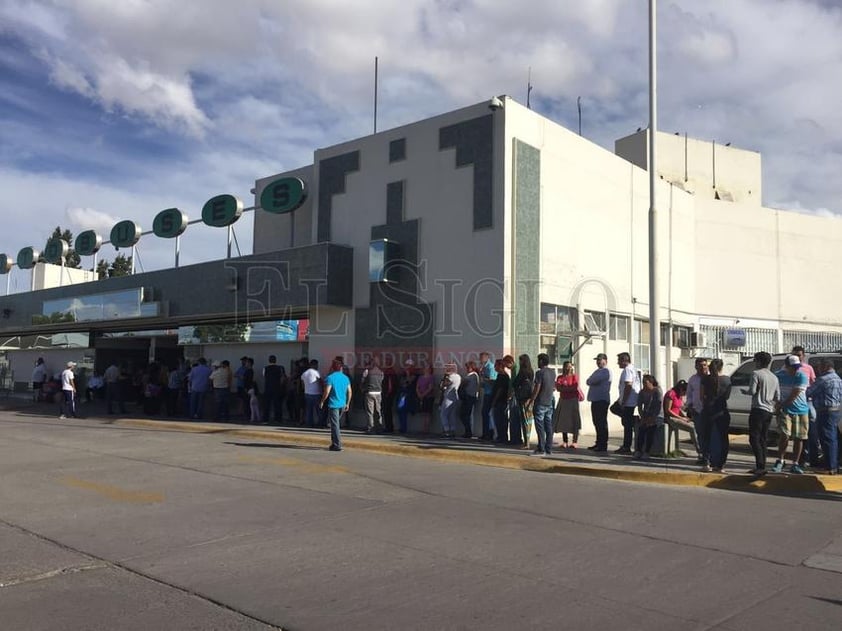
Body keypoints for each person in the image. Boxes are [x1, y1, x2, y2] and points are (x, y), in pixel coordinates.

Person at [742, 351, 780, 475]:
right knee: (763, 438)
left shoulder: (756, 374)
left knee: (754, 438)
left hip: (758, 409)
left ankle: (760, 466)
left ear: (758, 361)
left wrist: (745, 392)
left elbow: (753, 391)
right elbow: (777, 396)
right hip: (769, 410)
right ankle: (762, 465)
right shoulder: (774, 377)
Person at [773, 355, 810, 474]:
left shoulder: (802, 376)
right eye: (792, 367)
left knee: (799, 437)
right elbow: (774, 390)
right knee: (785, 435)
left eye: (797, 367)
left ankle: (795, 463)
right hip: (786, 411)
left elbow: (795, 394)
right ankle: (781, 460)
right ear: (787, 366)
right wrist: (777, 402)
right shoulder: (778, 376)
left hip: (801, 410)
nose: (795, 370)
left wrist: (781, 405)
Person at [806, 358, 842, 475]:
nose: (818, 369)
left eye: (820, 367)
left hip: (825, 411)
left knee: (827, 438)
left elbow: (809, 392)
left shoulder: (823, 380)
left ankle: (830, 466)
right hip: (836, 410)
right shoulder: (838, 379)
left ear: (825, 366)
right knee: (834, 438)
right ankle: (834, 464)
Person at [700, 358, 732, 472]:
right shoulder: (727, 380)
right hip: (722, 411)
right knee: (723, 438)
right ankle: (721, 464)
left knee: (706, 437)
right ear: (721, 367)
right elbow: (727, 396)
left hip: (708, 410)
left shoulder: (705, 379)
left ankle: (706, 462)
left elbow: (701, 396)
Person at [791, 345, 819, 468]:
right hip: (792, 401)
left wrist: (808, 392)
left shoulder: (808, 368)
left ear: (803, 356)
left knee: (811, 427)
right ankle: (799, 459)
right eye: (795, 355)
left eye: (799, 355)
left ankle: (811, 457)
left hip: (807, 401)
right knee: (795, 433)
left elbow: (814, 382)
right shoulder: (788, 368)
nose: (797, 357)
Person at [320, 358, 352, 451]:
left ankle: (337, 444)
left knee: (335, 425)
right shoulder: (345, 378)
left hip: (334, 404)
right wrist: (348, 403)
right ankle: (334, 443)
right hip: (342, 404)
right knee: (336, 424)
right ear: (341, 368)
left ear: (332, 368)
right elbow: (349, 391)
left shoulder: (330, 377)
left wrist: (322, 401)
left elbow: (327, 391)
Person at [529, 353, 556, 456]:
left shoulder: (539, 373)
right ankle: (548, 448)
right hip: (549, 402)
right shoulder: (552, 372)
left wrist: (531, 400)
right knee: (548, 426)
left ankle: (541, 449)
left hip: (540, 402)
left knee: (540, 427)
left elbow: (537, 388)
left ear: (541, 361)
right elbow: (553, 387)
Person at [663, 380, 699, 458]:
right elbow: (668, 410)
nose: (684, 394)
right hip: (670, 418)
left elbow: (678, 409)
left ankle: (701, 448)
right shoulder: (671, 394)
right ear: (680, 389)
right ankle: (699, 451)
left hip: (677, 417)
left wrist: (685, 417)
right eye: (684, 392)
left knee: (695, 425)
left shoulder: (679, 396)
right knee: (692, 428)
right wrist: (681, 418)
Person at [614, 352, 641, 455]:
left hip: (629, 402)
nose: (618, 363)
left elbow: (628, 386)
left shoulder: (627, 370)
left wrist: (623, 402)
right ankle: (632, 420)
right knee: (614, 409)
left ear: (624, 360)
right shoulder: (632, 369)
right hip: (630, 400)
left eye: (619, 360)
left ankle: (626, 446)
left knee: (627, 425)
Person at [684, 357, 709, 464]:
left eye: (705, 365)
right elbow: (689, 395)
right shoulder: (693, 379)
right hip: (697, 411)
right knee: (700, 434)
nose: (703, 367)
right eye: (700, 365)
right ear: (696, 367)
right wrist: (690, 406)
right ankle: (703, 456)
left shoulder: (710, 378)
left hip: (708, 411)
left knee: (709, 435)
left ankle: (710, 457)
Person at [585, 353, 611, 453]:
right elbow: (588, 381)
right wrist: (591, 380)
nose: (598, 362)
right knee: (596, 422)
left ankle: (603, 444)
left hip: (602, 400)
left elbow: (593, 380)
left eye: (600, 360)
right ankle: (598, 442)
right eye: (597, 360)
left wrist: (591, 380)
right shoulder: (597, 371)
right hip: (595, 400)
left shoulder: (606, 371)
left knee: (601, 423)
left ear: (605, 360)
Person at [553, 361, 582, 449]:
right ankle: (565, 441)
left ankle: (575, 441)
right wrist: (567, 388)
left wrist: (564, 388)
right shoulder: (560, 377)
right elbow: (558, 388)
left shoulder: (574, 377)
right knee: (563, 421)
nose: (568, 368)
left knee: (574, 420)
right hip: (563, 400)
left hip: (573, 400)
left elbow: (574, 387)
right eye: (566, 366)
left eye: (570, 366)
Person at [635, 375, 663, 460]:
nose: (644, 385)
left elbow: (658, 406)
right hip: (646, 415)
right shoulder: (642, 392)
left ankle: (647, 451)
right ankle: (638, 450)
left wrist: (652, 418)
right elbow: (640, 406)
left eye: (646, 383)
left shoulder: (657, 391)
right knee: (642, 429)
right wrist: (642, 417)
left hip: (657, 415)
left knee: (651, 428)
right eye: (643, 383)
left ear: (651, 383)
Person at [511, 354, 534, 448]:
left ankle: (526, 442)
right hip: (529, 398)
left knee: (524, 421)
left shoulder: (522, 372)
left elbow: (515, 383)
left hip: (523, 398)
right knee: (529, 421)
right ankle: (527, 441)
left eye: (520, 360)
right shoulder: (531, 371)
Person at [491, 356, 514, 443]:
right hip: (500, 400)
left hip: (501, 401)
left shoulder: (503, 376)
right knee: (499, 419)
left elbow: (500, 390)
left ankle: (502, 437)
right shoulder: (500, 376)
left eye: (496, 366)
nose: (495, 368)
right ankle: (501, 436)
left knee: (501, 420)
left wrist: (494, 401)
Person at [361, 358, 384, 434]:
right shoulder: (381, 372)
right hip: (378, 393)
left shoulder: (367, 371)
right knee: (378, 411)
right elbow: (382, 382)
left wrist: (363, 388)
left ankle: (371, 428)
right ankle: (379, 428)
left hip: (369, 392)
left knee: (370, 412)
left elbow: (362, 381)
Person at [478, 352, 498, 441]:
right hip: (486, 392)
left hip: (490, 393)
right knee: (484, 413)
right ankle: (485, 433)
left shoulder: (490, 367)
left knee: (487, 413)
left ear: (486, 357)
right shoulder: (484, 367)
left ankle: (489, 434)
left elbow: (492, 381)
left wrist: (483, 377)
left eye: (481, 358)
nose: (480, 359)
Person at [439, 363, 461, 438]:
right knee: (452, 415)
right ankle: (452, 430)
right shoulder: (458, 376)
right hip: (455, 397)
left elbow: (443, 385)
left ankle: (447, 430)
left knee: (443, 414)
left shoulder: (451, 377)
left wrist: (445, 376)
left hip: (449, 397)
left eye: (448, 367)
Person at [262, 355, 287, 425]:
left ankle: (265, 419)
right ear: (275, 360)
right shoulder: (280, 368)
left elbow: (264, 376)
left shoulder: (265, 368)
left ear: (269, 360)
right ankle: (278, 419)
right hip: (277, 388)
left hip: (268, 388)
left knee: (266, 405)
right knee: (277, 405)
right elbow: (282, 378)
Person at [460, 361, 480, 439]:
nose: (467, 369)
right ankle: (468, 431)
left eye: (468, 367)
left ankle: (468, 432)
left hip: (470, 397)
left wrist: (462, 382)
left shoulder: (473, 375)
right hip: (468, 397)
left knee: (465, 414)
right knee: (464, 414)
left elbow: (464, 383)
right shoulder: (471, 375)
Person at [397, 360, 418, 434]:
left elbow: (409, 381)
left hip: (409, 395)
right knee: (400, 410)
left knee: (403, 410)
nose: (407, 367)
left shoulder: (414, 375)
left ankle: (404, 428)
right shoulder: (403, 375)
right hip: (402, 394)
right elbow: (401, 383)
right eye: (406, 365)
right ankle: (401, 427)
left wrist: (408, 373)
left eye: (408, 366)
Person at [301, 359, 322, 428]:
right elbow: (320, 382)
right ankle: (320, 423)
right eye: (317, 365)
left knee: (309, 409)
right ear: (314, 365)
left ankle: (309, 423)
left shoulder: (304, 373)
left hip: (307, 393)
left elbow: (302, 384)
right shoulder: (316, 372)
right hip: (316, 393)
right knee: (318, 410)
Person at [416, 365, 435, 434]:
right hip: (421, 397)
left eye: (428, 368)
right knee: (424, 413)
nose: (426, 370)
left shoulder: (431, 377)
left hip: (428, 397)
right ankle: (423, 428)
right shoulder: (420, 377)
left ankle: (426, 429)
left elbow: (430, 388)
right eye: (425, 368)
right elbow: (417, 387)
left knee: (428, 413)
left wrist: (423, 394)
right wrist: (419, 394)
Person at [381, 364, 398, 433]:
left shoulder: (389, 374)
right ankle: (389, 427)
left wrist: (387, 394)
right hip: (390, 395)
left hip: (388, 395)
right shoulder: (392, 374)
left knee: (387, 411)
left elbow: (390, 386)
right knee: (388, 412)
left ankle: (389, 427)